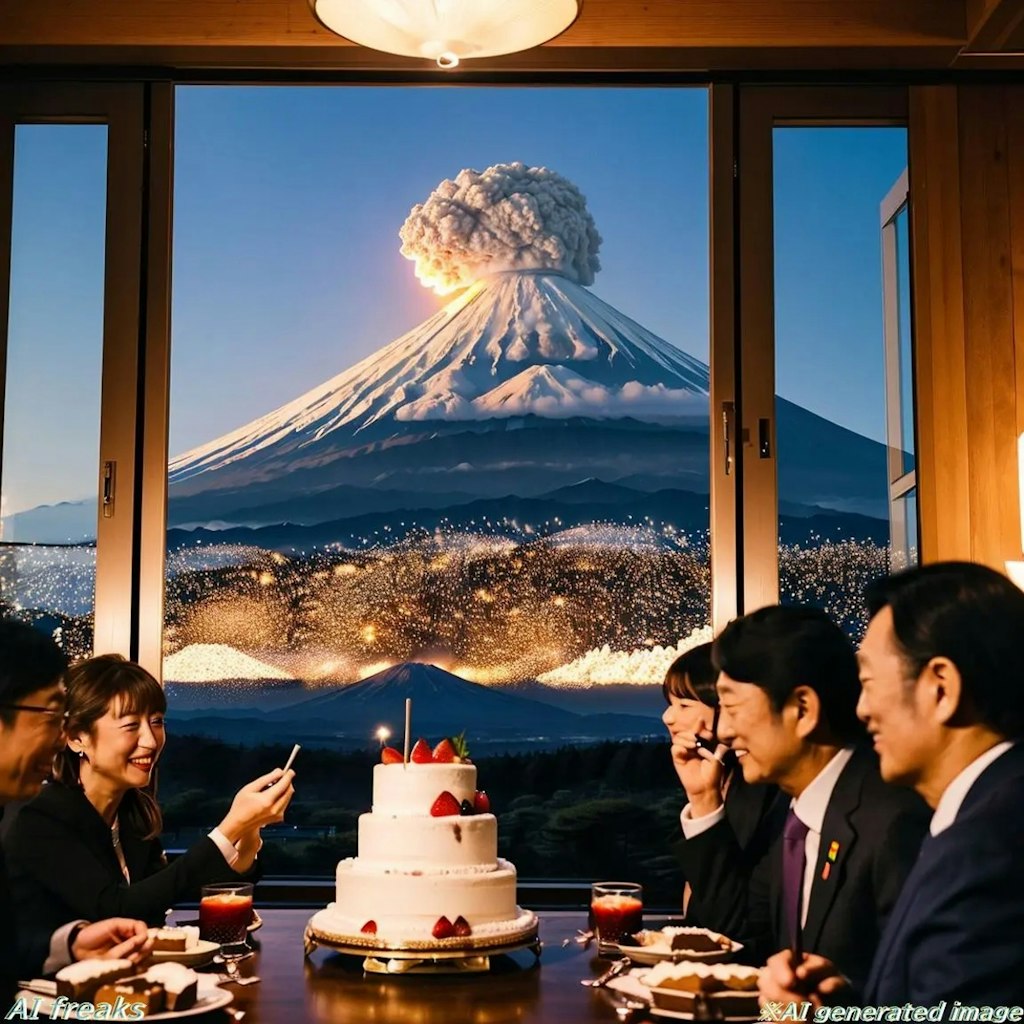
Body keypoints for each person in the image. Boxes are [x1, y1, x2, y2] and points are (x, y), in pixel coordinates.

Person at [760, 562, 1024, 1007]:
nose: (861, 710)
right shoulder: (981, 815)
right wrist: (841, 1007)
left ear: (941, 688)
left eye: (868, 682)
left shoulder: (989, 848)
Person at [681, 605, 929, 992]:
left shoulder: (893, 822)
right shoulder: (796, 814)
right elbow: (735, 939)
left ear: (803, 709)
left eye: (730, 708)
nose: (723, 731)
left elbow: (955, 1003)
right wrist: (703, 800)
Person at [5, 653, 295, 940]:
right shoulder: (41, 817)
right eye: (131, 726)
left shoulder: (131, 811)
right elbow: (115, 910)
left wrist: (246, 839)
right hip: (52, 985)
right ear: (77, 737)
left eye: (157, 722)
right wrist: (229, 828)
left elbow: (163, 895)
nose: (150, 740)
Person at [0, 621, 152, 1007]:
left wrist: (68, 944)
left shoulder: (132, 816)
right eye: (52, 716)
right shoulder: (38, 818)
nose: (60, 738)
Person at [663, 641, 786, 938]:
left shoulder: (766, 789)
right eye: (670, 704)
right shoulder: (720, 777)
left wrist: (705, 801)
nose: (667, 717)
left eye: (684, 705)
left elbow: (729, 925)